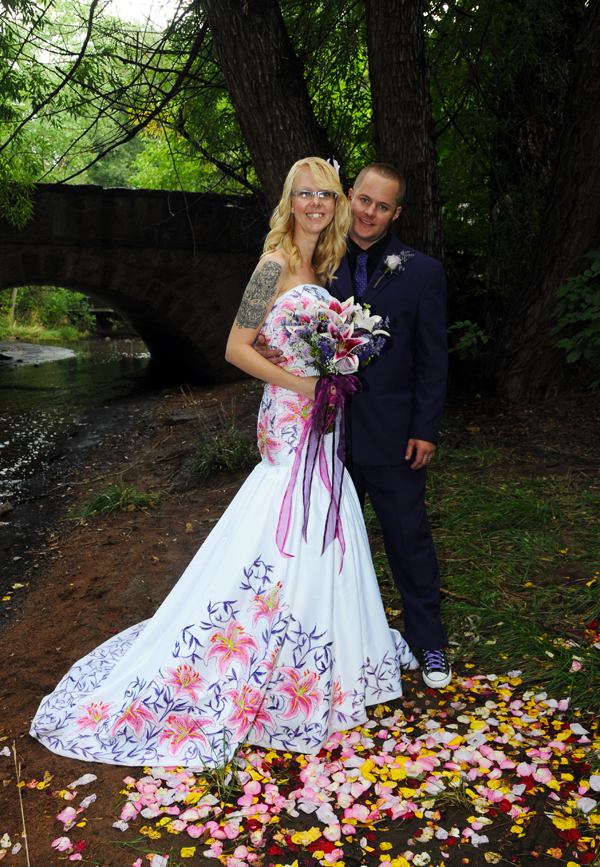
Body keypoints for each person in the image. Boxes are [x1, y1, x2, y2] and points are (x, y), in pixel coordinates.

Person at [30, 158, 417, 769]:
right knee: (283, 526)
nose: (315, 202)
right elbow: (236, 347)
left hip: (321, 419)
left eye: (324, 192)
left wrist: (334, 370)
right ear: (288, 200)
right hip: (292, 420)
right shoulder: (272, 266)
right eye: (303, 192)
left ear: (336, 202)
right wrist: (303, 383)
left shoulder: (321, 266)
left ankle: (322, 659)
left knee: (325, 520)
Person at [258, 163, 451, 690]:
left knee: (408, 539)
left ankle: (429, 644)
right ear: (350, 197)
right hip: (324, 437)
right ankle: (332, 643)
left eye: (382, 205)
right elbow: (265, 331)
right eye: (363, 200)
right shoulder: (320, 260)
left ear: (396, 213)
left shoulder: (422, 272)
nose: (369, 212)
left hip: (393, 436)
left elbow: (433, 361)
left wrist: (425, 429)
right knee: (327, 546)